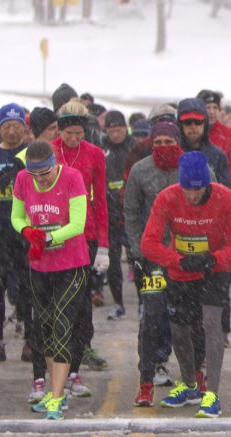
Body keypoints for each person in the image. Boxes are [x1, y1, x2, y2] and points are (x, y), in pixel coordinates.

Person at [141, 151, 231, 418]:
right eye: (188, 190)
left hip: (214, 270)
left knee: (212, 327)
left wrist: (214, 260)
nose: (193, 196)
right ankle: (189, 383)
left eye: (198, 190)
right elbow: (148, 243)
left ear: (207, 184)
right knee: (179, 330)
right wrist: (177, 260)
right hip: (182, 271)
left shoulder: (226, 198)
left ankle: (212, 393)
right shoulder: (167, 197)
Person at [11, 141, 91, 420]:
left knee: (62, 326)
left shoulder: (72, 177)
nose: (40, 180)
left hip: (71, 264)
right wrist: (28, 231)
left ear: (54, 164)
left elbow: (78, 224)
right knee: (44, 328)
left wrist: (48, 237)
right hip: (39, 265)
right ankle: (54, 392)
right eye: (35, 175)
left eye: (45, 173)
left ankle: (57, 397)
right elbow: (16, 216)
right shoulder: (23, 179)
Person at [125, 121, 194, 406]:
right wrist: (136, 253)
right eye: (158, 143)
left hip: (187, 258)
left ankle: (193, 379)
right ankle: (146, 382)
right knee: (150, 321)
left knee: (188, 322)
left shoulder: (192, 167)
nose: (164, 147)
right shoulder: (141, 170)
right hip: (152, 258)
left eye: (169, 142)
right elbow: (130, 213)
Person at [52, 101, 110, 392]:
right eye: (69, 133)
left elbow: (100, 198)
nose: (74, 138)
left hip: (84, 235)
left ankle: (75, 368)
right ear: (59, 129)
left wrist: (105, 245)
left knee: (80, 300)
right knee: (54, 302)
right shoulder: (46, 151)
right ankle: (52, 372)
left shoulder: (94, 154)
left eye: (79, 133)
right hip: (53, 232)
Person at [0, 103, 31, 365]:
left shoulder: (32, 155)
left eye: (16, 126)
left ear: (24, 128)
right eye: (6, 127)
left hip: (25, 232)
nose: (11, 131)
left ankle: (31, 339)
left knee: (28, 288)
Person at [102, 110, 133, 321]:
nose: (116, 134)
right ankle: (119, 303)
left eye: (120, 130)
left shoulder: (135, 148)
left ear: (126, 128)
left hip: (132, 215)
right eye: (112, 131)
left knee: (138, 260)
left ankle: (144, 302)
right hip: (110, 216)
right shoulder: (101, 150)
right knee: (113, 264)